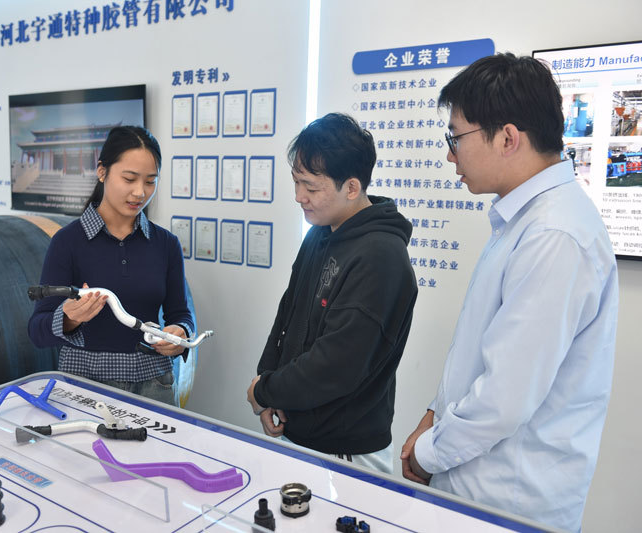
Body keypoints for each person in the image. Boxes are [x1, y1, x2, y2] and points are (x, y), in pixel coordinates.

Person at [400, 54, 618, 532]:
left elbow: (504, 397)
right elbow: (481, 352)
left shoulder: (554, 235)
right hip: (477, 483)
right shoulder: (524, 220)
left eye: (456, 138)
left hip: (509, 500)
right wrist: (435, 415)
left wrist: (428, 452)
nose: (451, 155)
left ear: (507, 138)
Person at [246, 113, 417, 474]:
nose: (299, 197)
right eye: (296, 182)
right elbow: (288, 314)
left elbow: (337, 365)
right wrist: (267, 384)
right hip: (297, 428)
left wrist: (264, 391)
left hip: (346, 450)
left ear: (351, 188)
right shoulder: (320, 232)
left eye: (311, 187)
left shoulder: (381, 256)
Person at [28, 125, 194, 406]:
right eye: (129, 179)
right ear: (102, 171)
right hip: (85, 387)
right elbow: (36, 331)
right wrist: (69, 318)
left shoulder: (166, 244)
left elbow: (181, 315)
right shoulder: (67, 242)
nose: (140, 192)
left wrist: (181, 334)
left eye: (150, 181)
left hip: (155, 385)